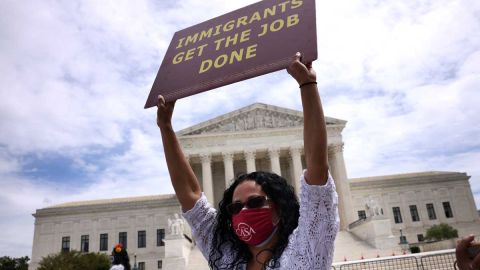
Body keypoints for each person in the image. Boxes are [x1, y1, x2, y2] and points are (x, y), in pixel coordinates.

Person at [156, 52, 339, 269]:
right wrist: (165, 127)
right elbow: (191, 198)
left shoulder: (306, 251)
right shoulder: (226, 257)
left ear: (278, 208)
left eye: (254, 202)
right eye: (235, 208)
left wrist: (307, 84)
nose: (243, 212)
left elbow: (317, 169)